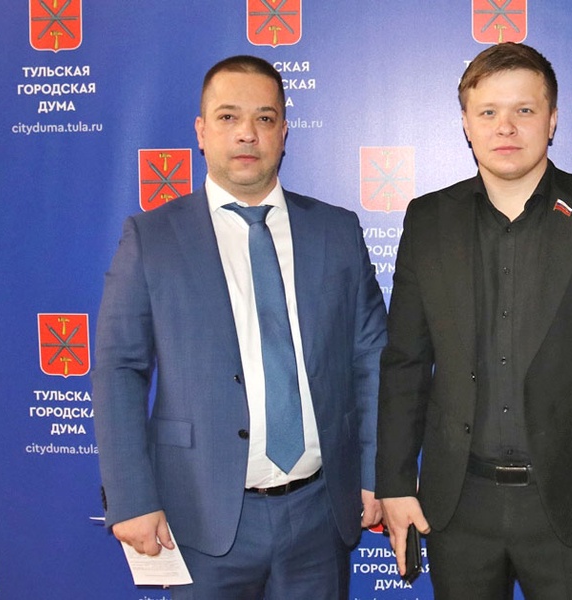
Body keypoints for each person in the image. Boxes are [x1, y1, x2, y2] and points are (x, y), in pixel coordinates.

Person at [375, 43, 572, 599]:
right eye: (488, 111)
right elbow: (405, 363)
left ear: (552, 120)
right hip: (458, 506)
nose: (506, 127)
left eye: (524, 109)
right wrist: (395, 483)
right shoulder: (427, 220)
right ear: (466, 124)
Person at [92, 55, 387, 599]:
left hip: (321, 514)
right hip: (200, 515)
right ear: (201, 132)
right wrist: (131, 497)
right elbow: (118, 369)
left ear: (283, 133)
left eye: (264, 118)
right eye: (228, 117)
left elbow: (372, 360)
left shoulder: (337, 231)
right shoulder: (152, 238)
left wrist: (376, 472)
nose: (247, 133)